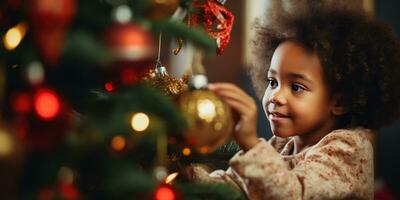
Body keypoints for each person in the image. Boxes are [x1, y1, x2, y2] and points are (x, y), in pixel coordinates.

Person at [190, 4, 400, 200]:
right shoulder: (281, 146)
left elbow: (290, 194)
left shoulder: (349, 150)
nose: (275, 96)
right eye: (273, 82)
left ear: (340, 102)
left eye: (297, 87)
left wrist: (250, 144)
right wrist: (183, 163)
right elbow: (231, 187)